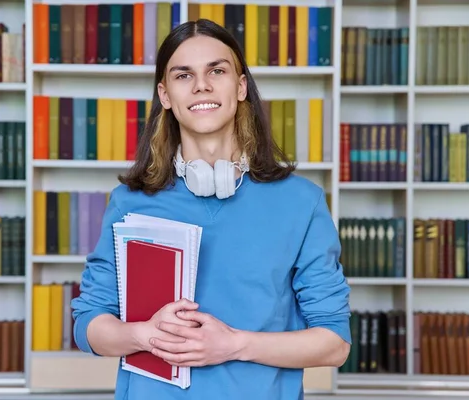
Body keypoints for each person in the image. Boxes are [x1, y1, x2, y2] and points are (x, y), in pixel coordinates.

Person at [71, 18, 351, 400]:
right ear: (165, 95)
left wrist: (234, 344)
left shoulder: (301, 202)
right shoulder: (130, 201)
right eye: (183, 75)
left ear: (239, 87)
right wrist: (142, 334)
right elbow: (88, 324)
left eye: (216, 71)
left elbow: (334, 343)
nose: (201, 85)